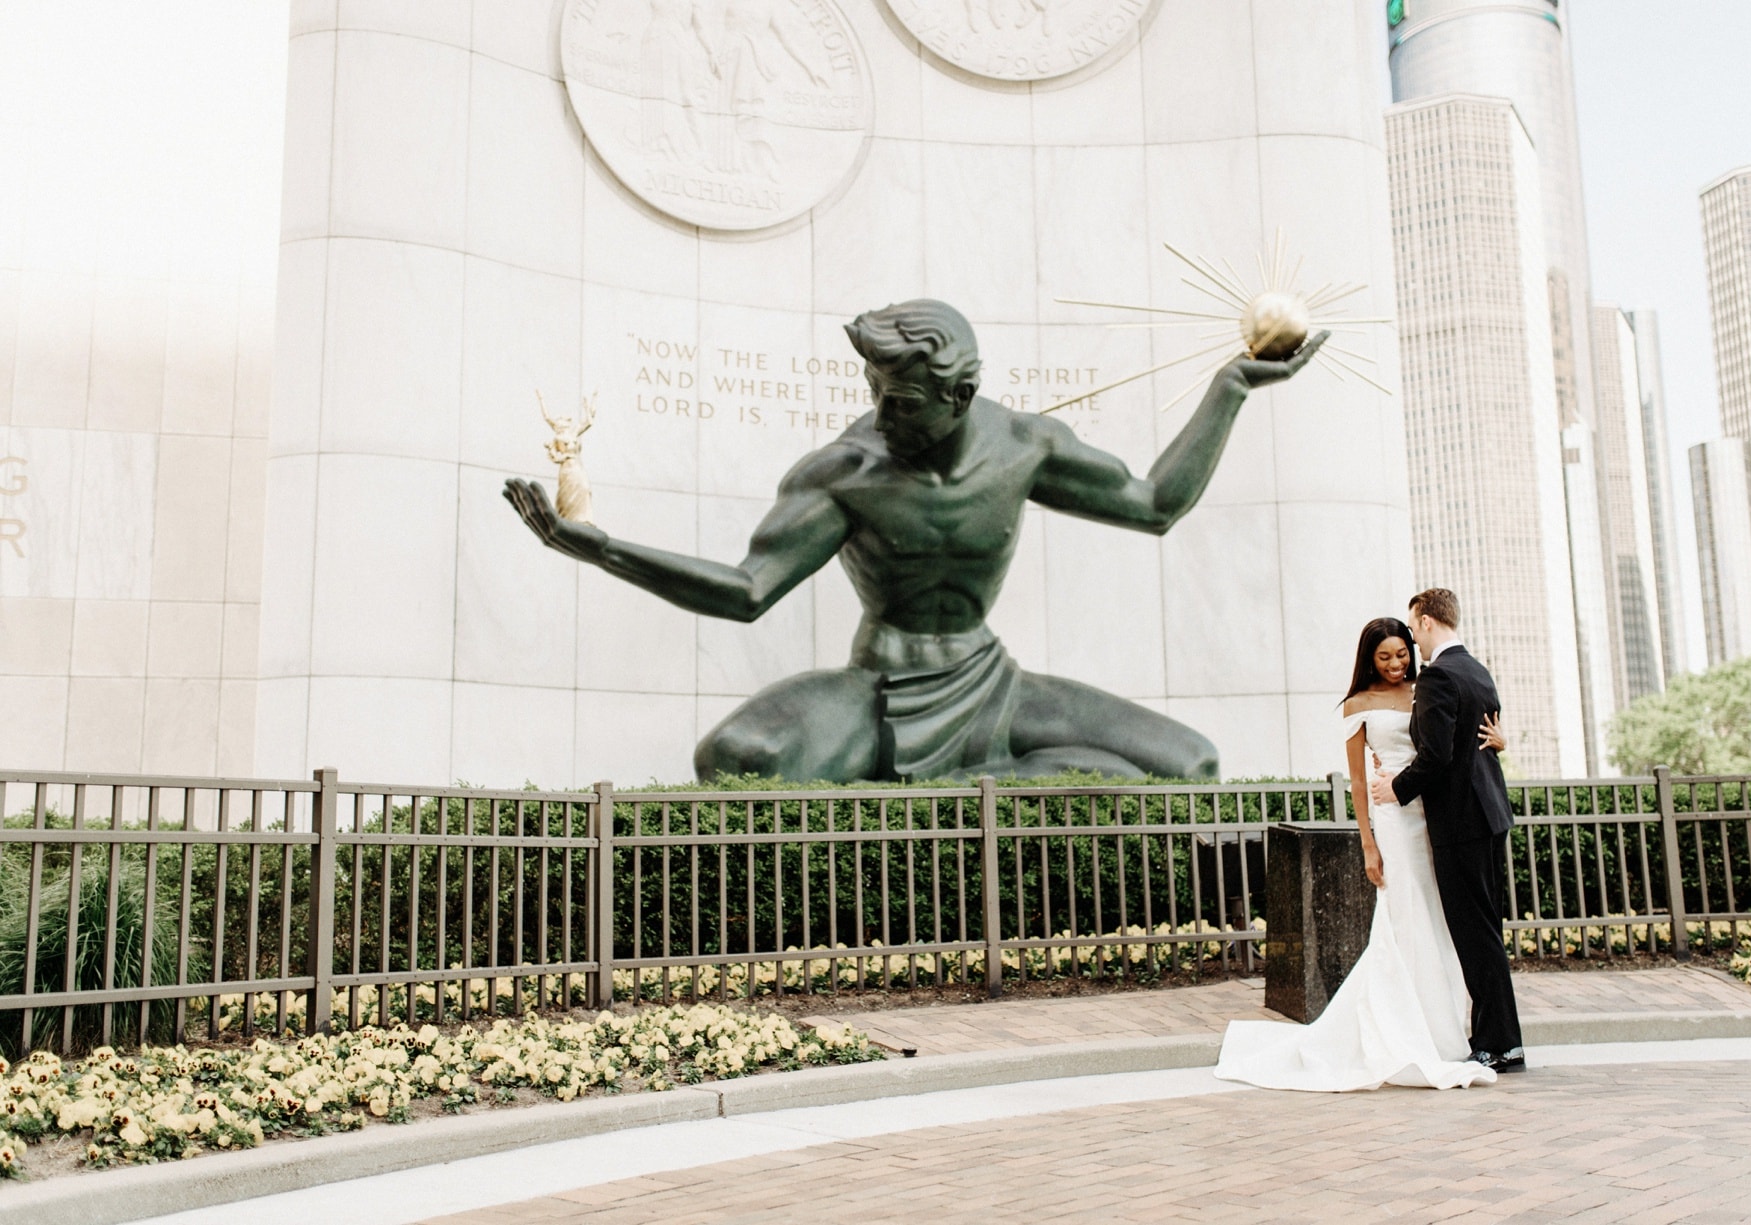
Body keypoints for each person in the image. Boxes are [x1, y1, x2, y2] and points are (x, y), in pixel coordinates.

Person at [504, 300, 1327, 782]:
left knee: (1193, 766)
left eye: (901, 400)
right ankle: (1001, 790)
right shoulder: (846, 471)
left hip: (992, 683)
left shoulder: (1024, 448)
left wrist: (1229, 391)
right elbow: (747, 590)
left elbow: (1154, 504)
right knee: (736, 757)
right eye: (875, 391)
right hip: (881, 689)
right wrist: (600, 547)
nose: (880, 412)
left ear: (961, 395)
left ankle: (980, 785)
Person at [1214, 616, 1506, 1091]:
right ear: (1369, 659)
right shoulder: (1357, 704)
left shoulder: (1427, 686)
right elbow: (1356, 781)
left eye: (1402, 653)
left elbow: (1452, 742)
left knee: (1440, 918)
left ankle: (1449, 1027)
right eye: (1384, 656)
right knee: (1405, 916)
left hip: (1434, 814)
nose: (1396, 664)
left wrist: (1501, 741)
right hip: (1393, 820)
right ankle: (1409, 1030)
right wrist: (1368, 843)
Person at [1371, 588, 1526, 1074]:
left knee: (1475, 933)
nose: (1412, 637)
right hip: (1488, 815)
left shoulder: (1438, 675)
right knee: (1485, 930)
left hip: (1460, 821)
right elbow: (1478, 741)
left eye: (1414, 628)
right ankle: (1502, 1039)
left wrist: (1395, 788)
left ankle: (1498, 1043)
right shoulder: (1477, 669)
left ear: (1428, 622)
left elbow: (1437, 756)